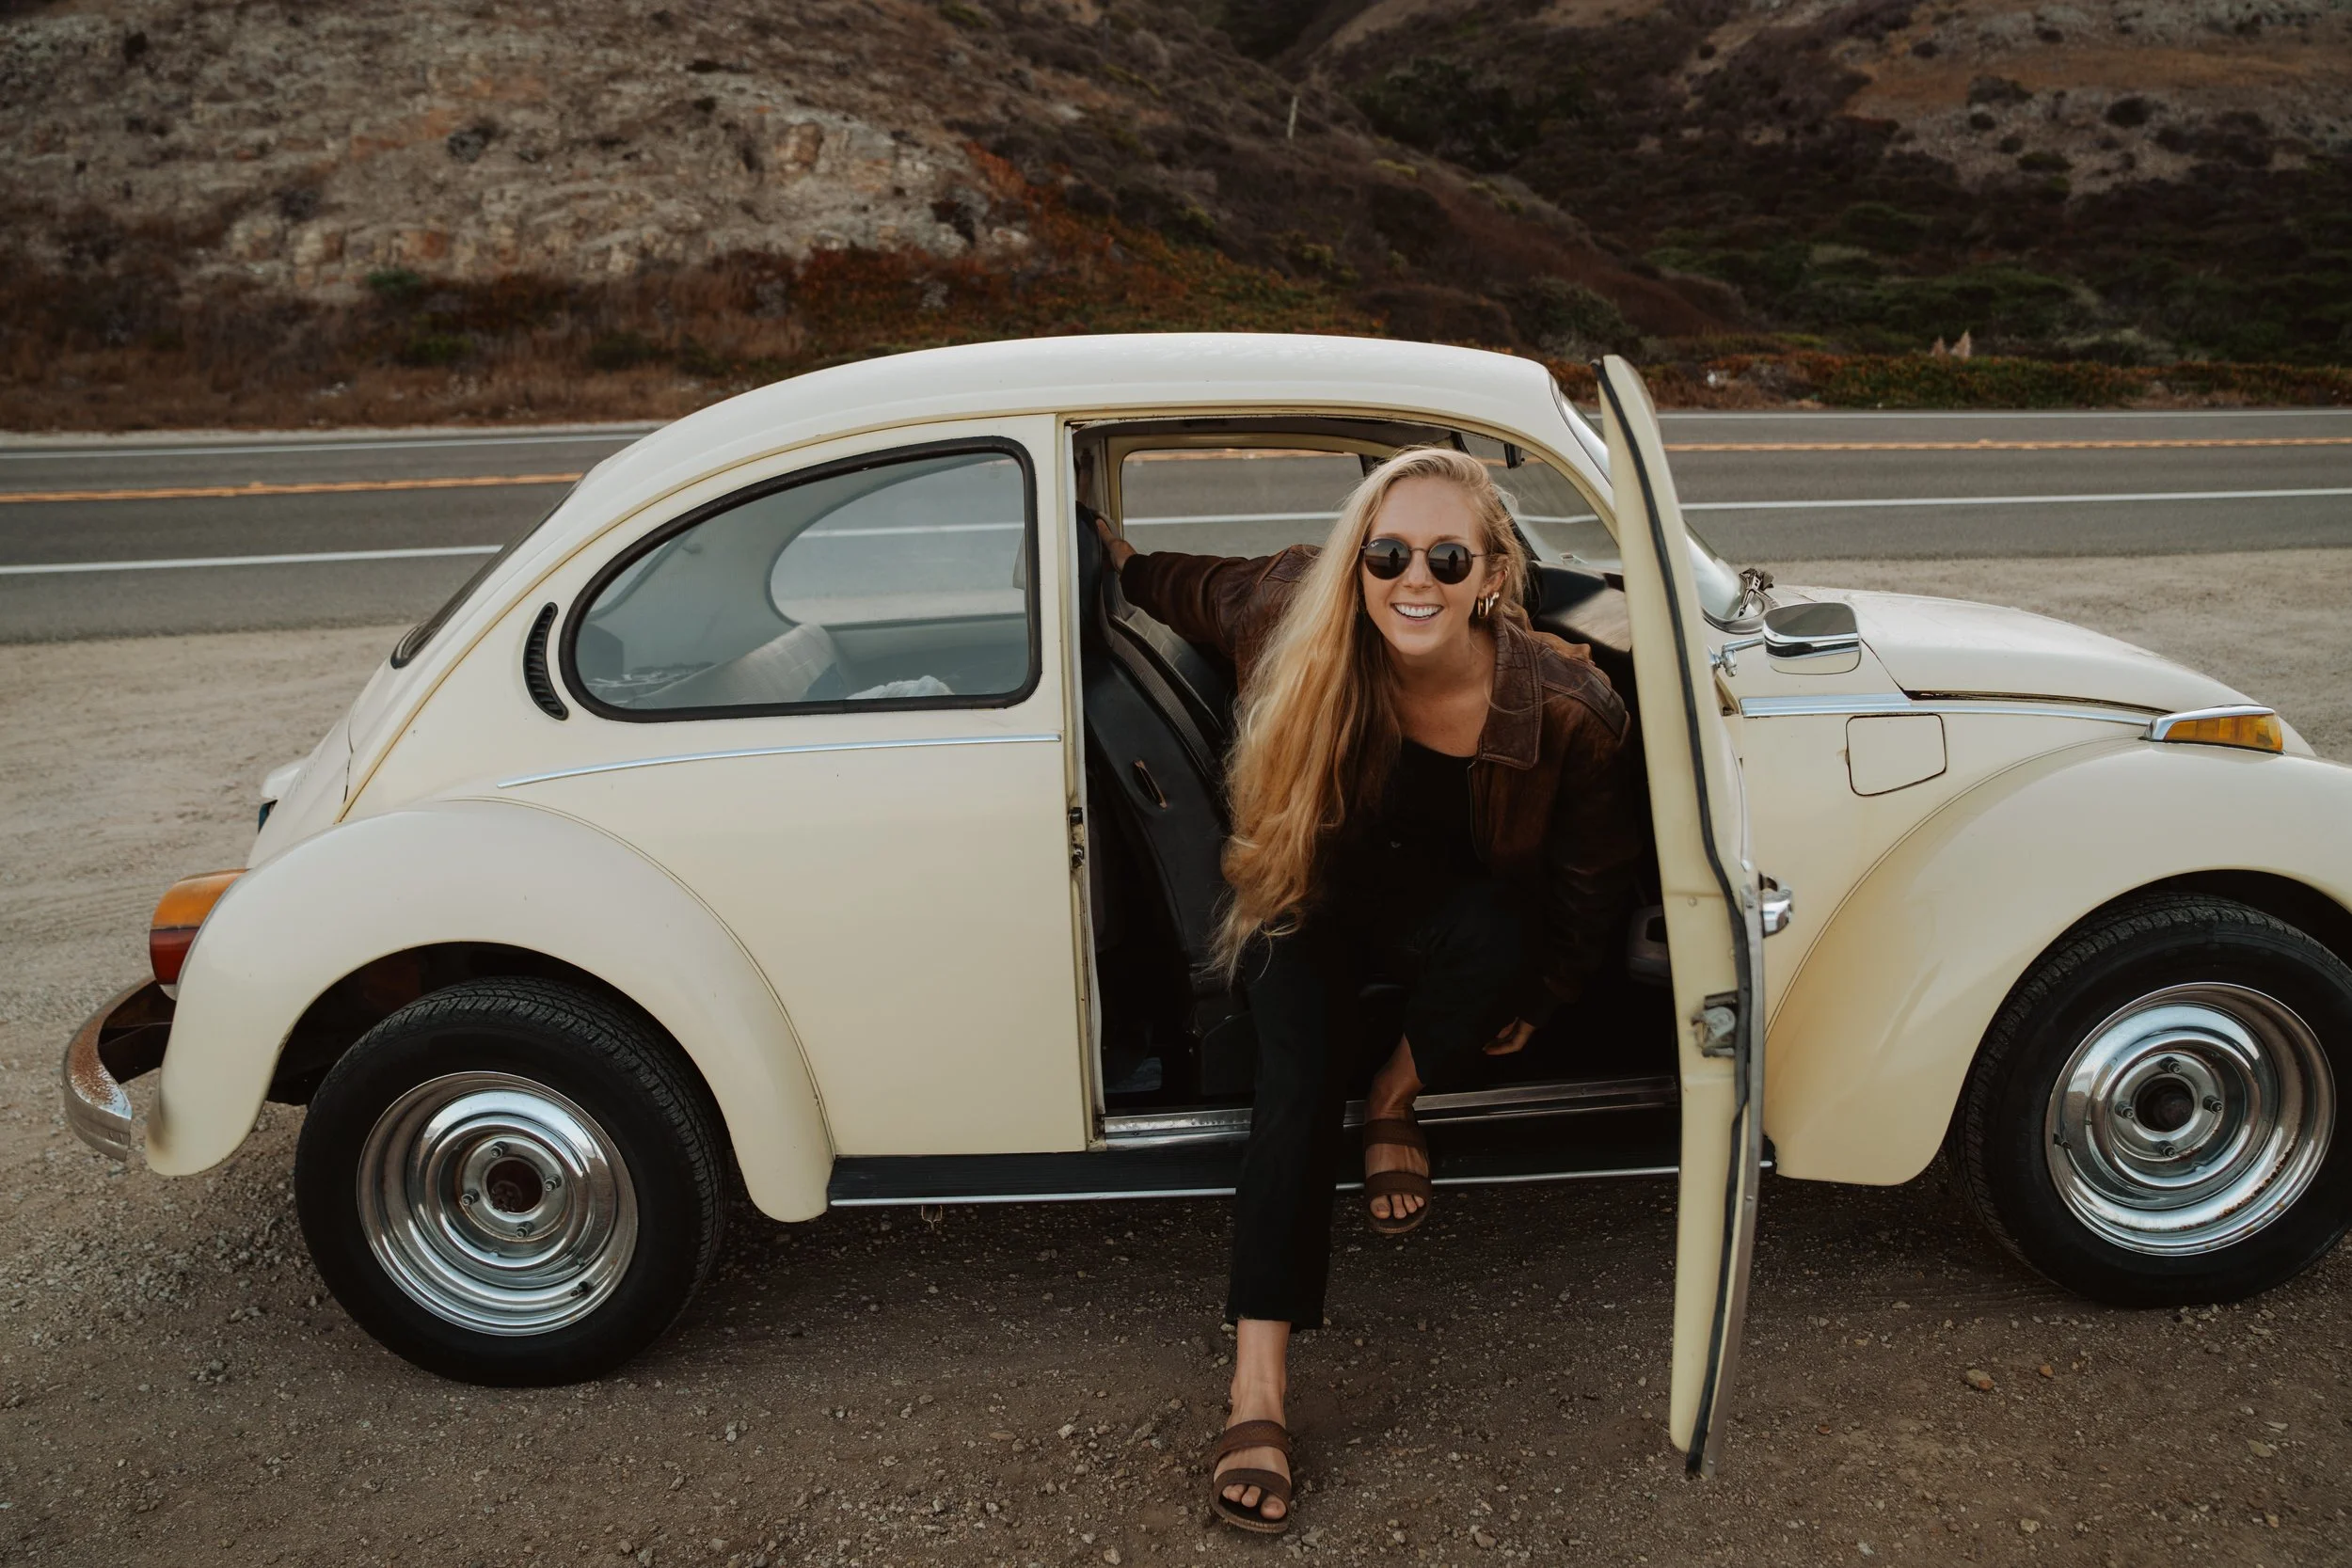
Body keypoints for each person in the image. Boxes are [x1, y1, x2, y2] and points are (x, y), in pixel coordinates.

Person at [1093, 446, 1640, 1533]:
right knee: (1289, 1095)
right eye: (1387, 552)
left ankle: (1394, 1096)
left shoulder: (1566, 704)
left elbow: (1590, 877)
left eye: (1446, 555)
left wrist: (1557, 984)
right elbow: (1173, 580)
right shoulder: (1293, 602)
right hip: (1300, 892)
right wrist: (1101, 549)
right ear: (1358, 560)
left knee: (1498, 938)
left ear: (1491, 573)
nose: (1413, 579)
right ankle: (1257, 1390)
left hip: (1442, 908)